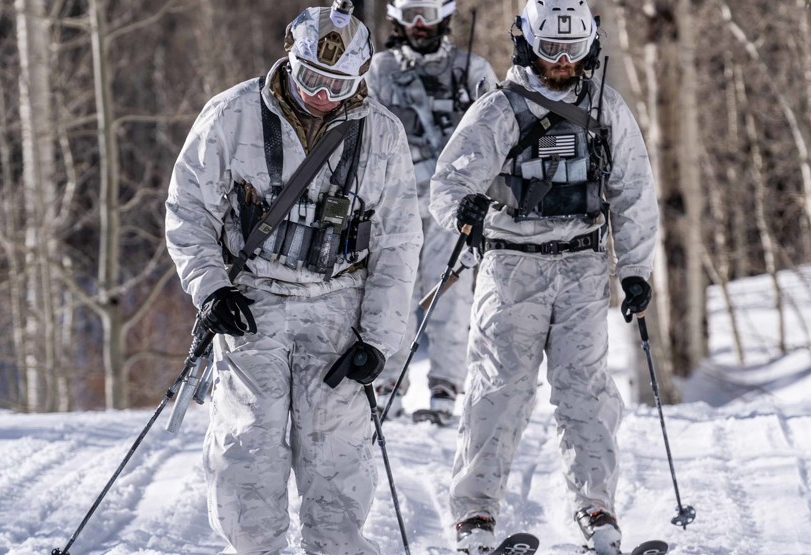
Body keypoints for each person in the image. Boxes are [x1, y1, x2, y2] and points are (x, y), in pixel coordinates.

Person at [164, 3, 422, 554]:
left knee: (335, 457)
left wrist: (379, 338)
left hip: (339, 307)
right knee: (249, 448)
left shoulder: (382, 135)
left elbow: (399, 246)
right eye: (311, 78)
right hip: (252, 300)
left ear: (361, 77)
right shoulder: (230, 115)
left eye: (338, 83)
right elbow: (189, 211)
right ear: (289, 55)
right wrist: (211, 288)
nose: (321, 95)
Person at [428, 0, 659, 553]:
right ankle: (476, 515)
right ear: (526, 44)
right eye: (550, 49)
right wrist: (466, 210)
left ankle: (596, 506)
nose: (561, 62)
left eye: (572, 51)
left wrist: (635, 271)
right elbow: (448, 183)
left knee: (587, 393)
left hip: (582, 265)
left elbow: (634, 194)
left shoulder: (607, 109)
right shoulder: (497, 110)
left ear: (589, 49)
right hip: (512, 267)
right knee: (498, 391)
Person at [365, 0, 498, 423]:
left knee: (451, 294)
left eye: (426, 14)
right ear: (396, 19)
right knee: (391, 288)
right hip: (392, 203)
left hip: (454, 205)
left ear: (444, 16)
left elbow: (499, 138)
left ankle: (444, 388)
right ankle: (387, 383)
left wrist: (489, 206)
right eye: (410, 16)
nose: (419, 26)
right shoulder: (378, 71)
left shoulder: (472, 71)